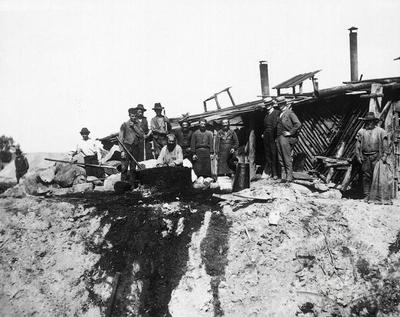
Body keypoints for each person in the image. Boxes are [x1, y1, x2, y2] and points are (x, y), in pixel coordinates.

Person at [355, 112, 390, 201]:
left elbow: (385, 144)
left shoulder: (381, 131)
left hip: (376, 156)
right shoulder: (361, 131)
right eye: (367, 121)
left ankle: (376, 197)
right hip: (365, 157)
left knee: (377, 176)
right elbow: (357, 145)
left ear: (374, 122)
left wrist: (385, 155)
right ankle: (367, 195)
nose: (369, 123)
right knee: (366, 176)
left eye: (371, 121)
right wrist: (358, 156)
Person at [275, 97, 301, 182]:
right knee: (280, 158)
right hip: (279, 138)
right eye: (279, 104)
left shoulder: (290, 113)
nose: (280, 105)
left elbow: (298, 124)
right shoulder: (280, 114)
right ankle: (283, 177)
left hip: (286, 138)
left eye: (282, 103)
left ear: (285, 104)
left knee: (286, 158)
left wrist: (290, 132)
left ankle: (289, 177)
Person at [119, 108, 142, 184]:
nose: (134, 118)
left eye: (135, 116)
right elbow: (120, 138)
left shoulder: (138, 124)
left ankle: (132, 185)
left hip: (135, 148)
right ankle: (123, 184)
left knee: (133, 168)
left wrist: (134, 127)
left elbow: (142, 135)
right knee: (124, 167)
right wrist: (122, 151)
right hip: (126, 147)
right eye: (132, 116)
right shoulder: (124, 125)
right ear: (129, 116)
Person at [262, 98, 281, 179]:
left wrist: (276, 136)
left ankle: (276, 174)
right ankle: (271, 172)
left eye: (269, 104)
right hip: (267, 136)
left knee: (274, 154)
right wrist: (263, 134)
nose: (267, 106)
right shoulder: (266, 115)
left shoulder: (277, 113)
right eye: (266, 105)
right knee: (268, 154)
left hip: (273, 135)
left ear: (272, 105)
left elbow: (277, 126)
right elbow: (265, 126)